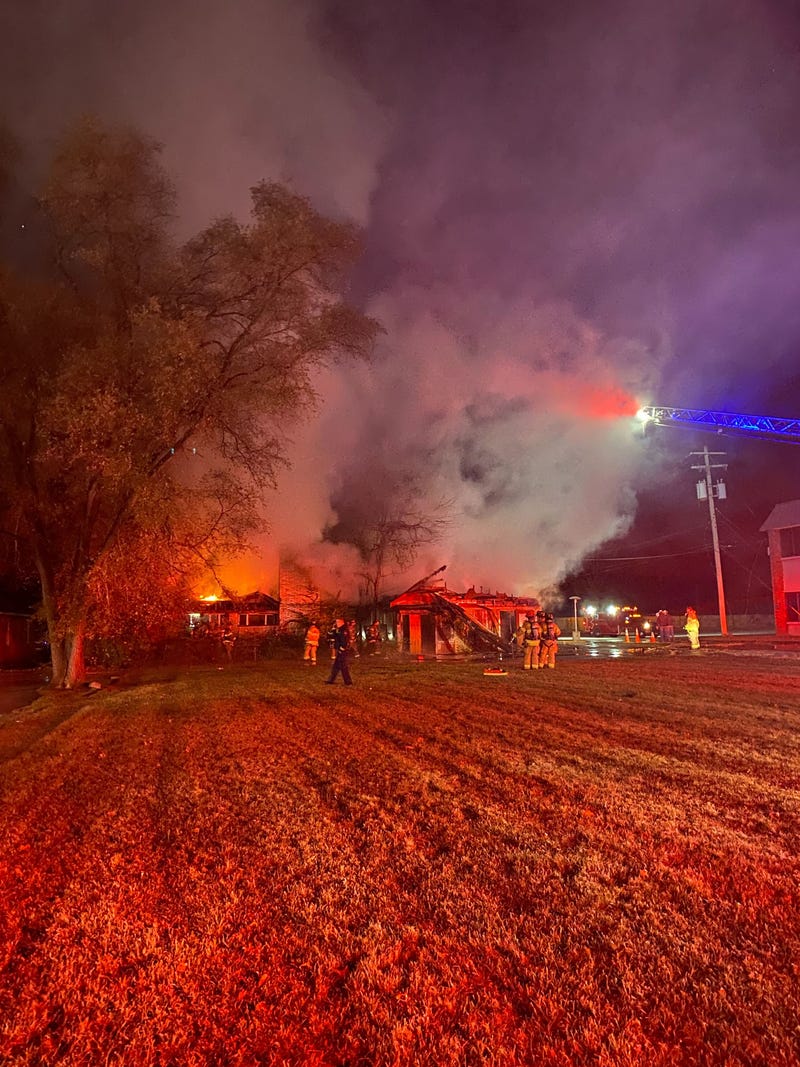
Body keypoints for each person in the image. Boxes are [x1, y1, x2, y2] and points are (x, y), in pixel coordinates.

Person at [325, 617, 353, 686]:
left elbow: (344, 641)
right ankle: (330, 680)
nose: (336, 623)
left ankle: (348, 682)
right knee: (336, 667)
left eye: (338, 622)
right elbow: (331, 636)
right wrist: (332, 630)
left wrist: (342, 649)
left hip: (343, 651)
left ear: (342, 622)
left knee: (343, 667)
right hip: (340, 650)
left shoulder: (343, 630)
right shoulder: (338, 630)